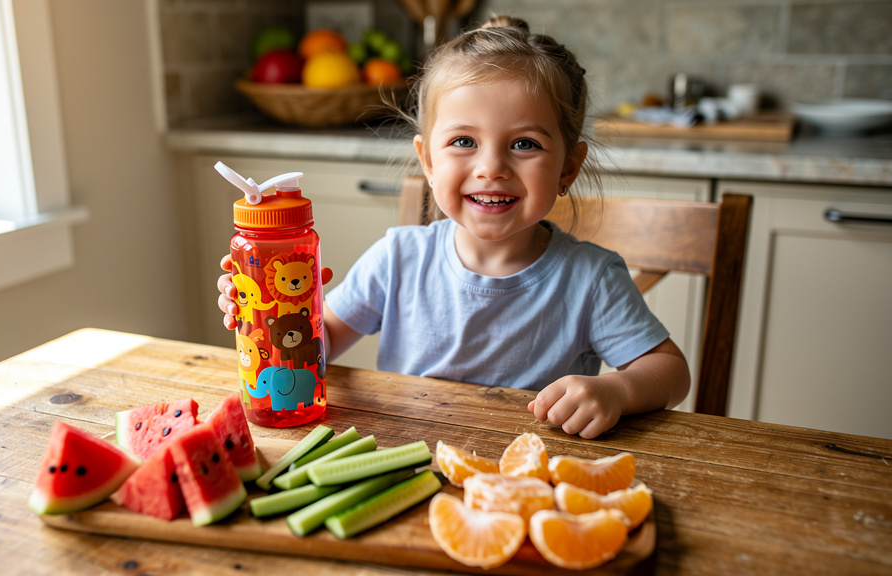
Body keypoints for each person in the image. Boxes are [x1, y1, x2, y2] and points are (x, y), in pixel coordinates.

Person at [218, 16, 690, 439]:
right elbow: (311, 353)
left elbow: (670, 371)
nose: (491, 167)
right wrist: (267, 315)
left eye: (525, 143)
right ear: (427, 160)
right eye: (464, 141)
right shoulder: (397, 258)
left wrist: (617, 390)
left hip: (527, 478)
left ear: (568, 168)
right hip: (407, 465)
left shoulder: (592, 278)